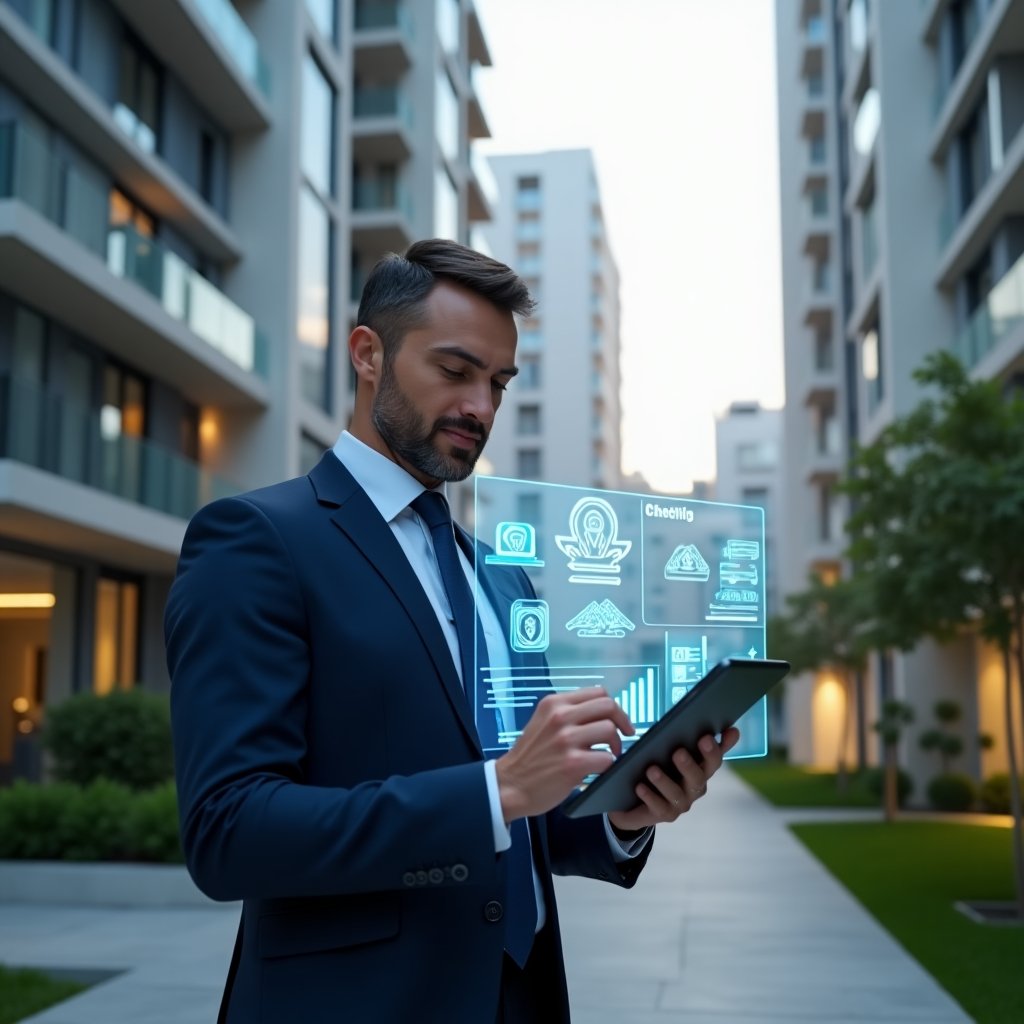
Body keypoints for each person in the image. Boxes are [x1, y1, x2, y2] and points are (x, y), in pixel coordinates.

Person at [165, 239, 740, 1024]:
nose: (482, 407)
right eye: (455, 370)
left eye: (498, 383)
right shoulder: (257, 539)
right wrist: (495, 789)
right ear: (368, 354)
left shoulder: (500, 576)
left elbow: (524, 821)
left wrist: (618, 814)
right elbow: (229, 830)